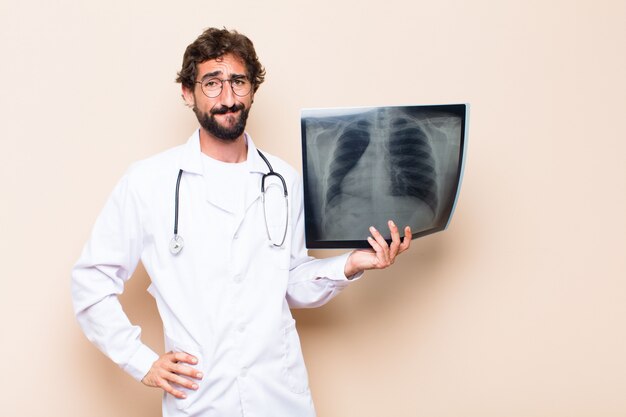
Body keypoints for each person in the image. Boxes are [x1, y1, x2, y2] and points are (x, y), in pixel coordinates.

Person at [71, 27, 412, 417]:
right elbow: (91, 282)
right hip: (201, 399)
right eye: (212, 84)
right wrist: (140, 361)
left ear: (253, 89)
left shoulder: (284, 180)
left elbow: (290, 282)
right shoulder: (148, 182)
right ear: (187, 92)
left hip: (280, 395)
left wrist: (350, 264)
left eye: (238, 82)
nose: (228, 98)